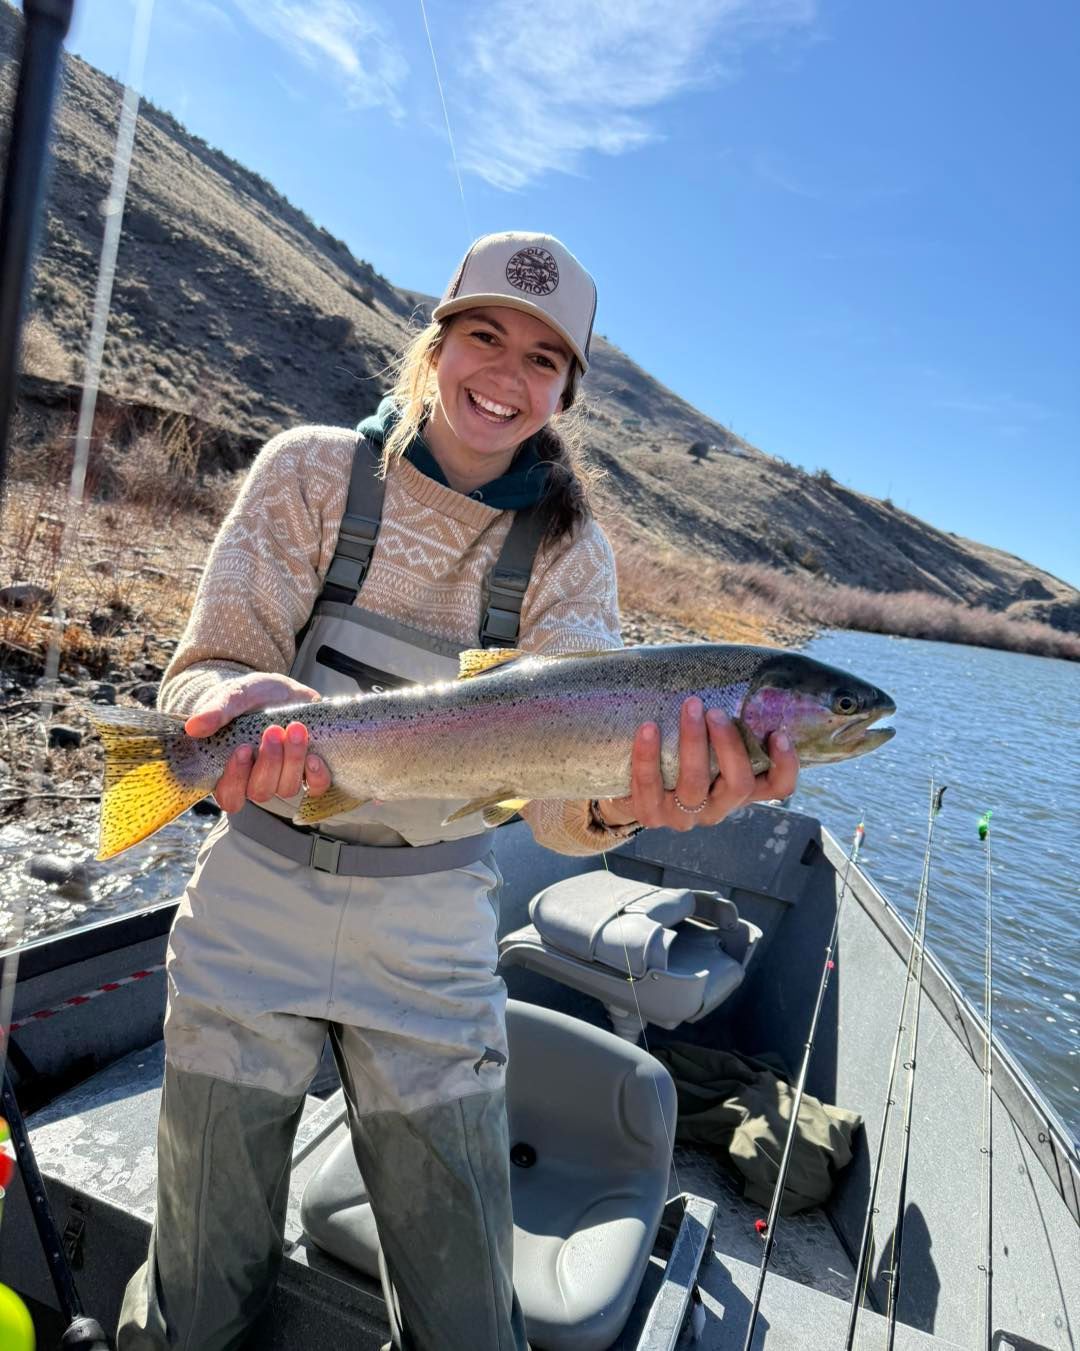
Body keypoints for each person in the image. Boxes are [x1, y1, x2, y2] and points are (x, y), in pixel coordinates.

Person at [116, 230, 799, 1351]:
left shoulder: (573, 553)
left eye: (542, 358)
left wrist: (637, 803)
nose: (506, 373)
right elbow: (197, 668)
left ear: (567, 390)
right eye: (484, 335)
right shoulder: (308, 470)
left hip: (434, 936)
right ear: (433, 347)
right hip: (254, 900)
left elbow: (555, 816)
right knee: (193, 1295)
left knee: (470, 1326)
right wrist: (233, 701)